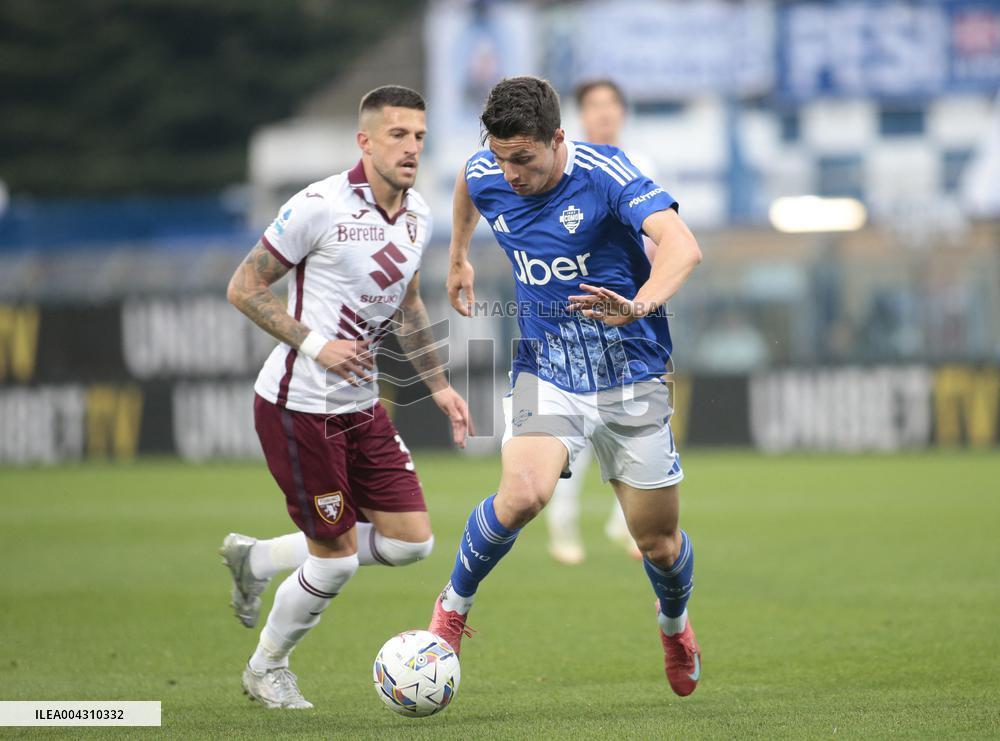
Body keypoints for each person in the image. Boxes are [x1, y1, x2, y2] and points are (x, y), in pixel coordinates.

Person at [429, 76, 703, 697]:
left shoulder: (607, 173)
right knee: (522, 496)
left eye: (523, 159)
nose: (511, 173)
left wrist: (639, 304)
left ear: (557, 139)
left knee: (657, 543)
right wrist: (459, 255)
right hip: (545, 369)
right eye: (501, 157)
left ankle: (674, 625)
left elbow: (683, 247)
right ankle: (451, 611)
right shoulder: (489, 168)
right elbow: (469, 183)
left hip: (632, 375)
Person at [221, 85, 472, 709]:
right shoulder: (318, 205)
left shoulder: (421, 216)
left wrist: (437, 385)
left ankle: (261, 557)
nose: (412, 147)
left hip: (362, 409)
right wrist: (315, 344)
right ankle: (266, 668)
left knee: (412, 542)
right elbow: (243, 286)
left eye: (419, 136)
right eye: (398, 135)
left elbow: (410, 305)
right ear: (364, 141)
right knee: (332, 562)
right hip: (298, 407)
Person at [545, 78, 655, 565]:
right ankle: (562, 528)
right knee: (573, 434)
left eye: (612, 103)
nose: (604, 113)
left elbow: (660, 241)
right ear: (580, 115)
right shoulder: (565, 168)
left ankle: (627, 525)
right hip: (569, 316)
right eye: (595, 105)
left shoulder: (642, 167)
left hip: (630, 320)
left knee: (637, 421)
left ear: (623, 112)